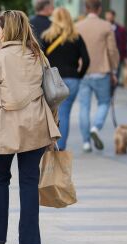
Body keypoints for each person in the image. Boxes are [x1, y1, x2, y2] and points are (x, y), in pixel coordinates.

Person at [0, 10, 61, 244]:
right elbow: (52, 92)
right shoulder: (38, 55)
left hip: (5, 127)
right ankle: (28, 243)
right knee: (29, 182)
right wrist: (55, 125)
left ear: (4, 29)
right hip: (36, 126)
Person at [41, 7, 90, 151]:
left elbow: (40, 60)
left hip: (51, 81)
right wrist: (78, 75)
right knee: (65, 113)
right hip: (71, 80)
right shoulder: (76, 37)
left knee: (49, 113)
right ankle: (60, 148)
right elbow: (86, 60)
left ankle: (48, 145)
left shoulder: (46, 37)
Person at [76, 0, 119, 152]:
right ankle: (96, 127)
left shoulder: (78, 26)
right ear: (99, 9)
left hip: (83, 72)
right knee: (104, 102)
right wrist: (114, 70)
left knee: (84, 107)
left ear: (86, 8)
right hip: (102, 71)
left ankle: (86, 142)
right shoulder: (106, 26)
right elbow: (112, 50)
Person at [105, 10, 127, 83]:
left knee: (116, 75)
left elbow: (124, 44)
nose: (108, 17)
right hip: (105, 56)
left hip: (117, 56)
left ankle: (112, 91)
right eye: (107, 16)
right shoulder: (102, 28)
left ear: (113, 17)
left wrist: (126, 57)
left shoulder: (121, 29)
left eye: (109, 15)